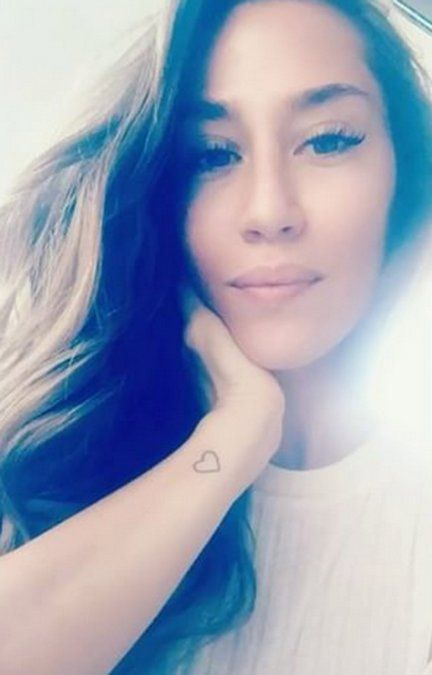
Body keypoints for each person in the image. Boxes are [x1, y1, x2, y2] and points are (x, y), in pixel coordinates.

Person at [0, 0, 431, 673]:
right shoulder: (62, 468)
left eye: (327, 140)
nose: (269, 211)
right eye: (213, 154)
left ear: (404, 174)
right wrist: (231, 442)